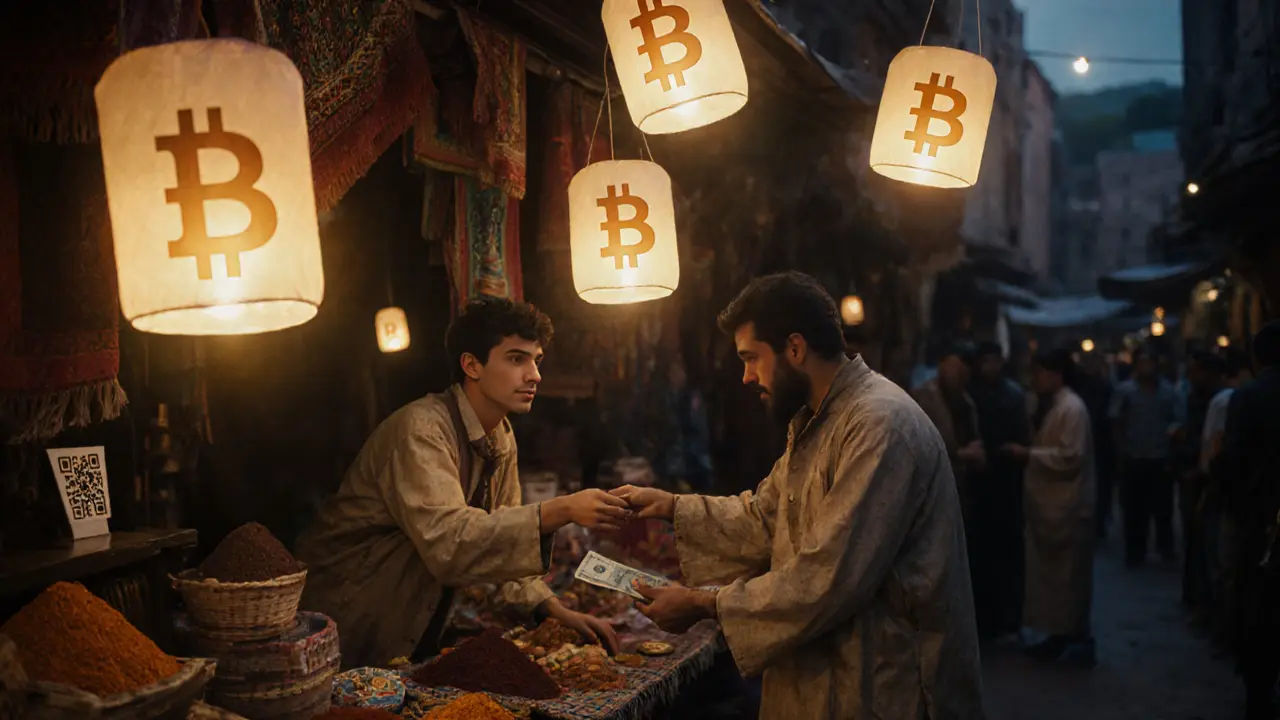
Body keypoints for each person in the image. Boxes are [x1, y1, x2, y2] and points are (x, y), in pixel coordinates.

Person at [610, 272, 985, 719]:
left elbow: (829, 576)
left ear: (794, 348)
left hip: (883, 685)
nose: (746, 377)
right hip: (827, 678)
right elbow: (766, 518)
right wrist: (670, 507)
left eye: (751, 358)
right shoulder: (818, 419)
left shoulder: (879, 424)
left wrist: (705, 603)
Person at [295, 297, 628, 668]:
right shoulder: (421, 431)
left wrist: (550, 608)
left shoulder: (500, 434)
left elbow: (500, 543)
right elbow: (451, 544)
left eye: (537, 360)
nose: (534, 375)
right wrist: (561, 508)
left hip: (411, 624)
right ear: (471, 364)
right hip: (352, 621)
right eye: (517, 359)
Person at [1002, 348, 1097, 665]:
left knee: (1069, 579)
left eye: (1039, 373)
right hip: (1054, 508)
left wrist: (1029, 454)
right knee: (1056, 581)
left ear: (1056, 374)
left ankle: (1072, 636)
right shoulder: (1056, 406)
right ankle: (1058, 635)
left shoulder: (1072, 408)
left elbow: (1070, 456)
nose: (1035, 380)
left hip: (1067, 509)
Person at [1220, 321, 1280, 719]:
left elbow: (1234, 465)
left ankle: (1258, 696)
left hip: (1261, 523)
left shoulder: (1248, 397)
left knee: (1260, 612)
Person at [968, 341, 1031, 640]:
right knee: (979, 553)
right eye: (986, 361)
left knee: (1006, 551)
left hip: (1006, 483)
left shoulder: (1013, 395)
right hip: (978, 484)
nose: (991, 367)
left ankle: (1007, 618)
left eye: (995, 361)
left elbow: (1022, 436)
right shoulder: (970, 394)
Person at [1109, 346, 1183, 566]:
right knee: (1134, 508)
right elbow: (1115, 420)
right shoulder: (1125, 391)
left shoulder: (1169, 392)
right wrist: (1120, 451)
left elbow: (1178, 420)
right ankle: (1135, 550)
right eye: (1142, 363)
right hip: (1134, 455)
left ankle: (1165, 548)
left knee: (1163, 508)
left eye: (1149, 362)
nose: (1146, 367)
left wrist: (1173, 444)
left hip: (1159, 456)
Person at [911, 342, 986, 533]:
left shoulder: (966, 402)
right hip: (933, 488)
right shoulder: (924, 397)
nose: (957, 373)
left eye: (962, 369)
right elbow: (919, 445)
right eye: (953, 366)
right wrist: (961, 453)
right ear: (942, 365)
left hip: (961, 487)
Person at [1177, 351, 1226, 623]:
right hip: (1195, 476)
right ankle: (1196, 597)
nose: (1192, 376)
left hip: (1207, 480)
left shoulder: (1218, 401)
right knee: (1195, 541)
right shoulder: (1196, 399)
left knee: (1206, 544)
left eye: (1196, 371)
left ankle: (1207, 606)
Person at [1076, 352, 1117, 539]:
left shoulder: (1105, 387)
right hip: (1087, 443)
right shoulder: (1081, 388)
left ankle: (1099, 522)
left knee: (1102, 486)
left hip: (1101, 444)